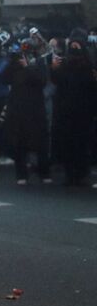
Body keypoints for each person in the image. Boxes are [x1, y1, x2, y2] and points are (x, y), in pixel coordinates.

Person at [50, 31, 96, 188]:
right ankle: (71, 174)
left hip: (83, 112)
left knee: (81, 144)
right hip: (67, 112)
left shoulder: (88, 67)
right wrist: (54, 69)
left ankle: (81, 173)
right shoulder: (65, 66)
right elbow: (57, 81)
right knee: (69, 144)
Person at [4, 39, 51, 184]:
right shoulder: (15, 64)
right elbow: (3, 79)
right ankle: (21, 174)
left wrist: (28, 67)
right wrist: (12, 63)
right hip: (18, 108)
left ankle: (44, 173)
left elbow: (42, 80)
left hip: (35, 108)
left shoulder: (38, 63)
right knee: (19, 141)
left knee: (41, 142)